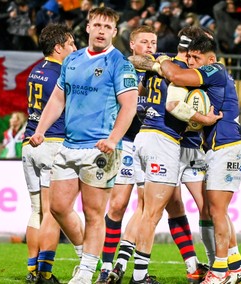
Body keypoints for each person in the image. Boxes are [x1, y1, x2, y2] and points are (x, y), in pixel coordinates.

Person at [29, 7, 139, 284]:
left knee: (93, 212)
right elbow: (57, 99)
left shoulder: (120, 64)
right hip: (68, 145)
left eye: (108, 26)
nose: (102, 30)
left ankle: (87, 271)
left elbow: (129, 106)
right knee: (57, 206)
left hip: (99, 147)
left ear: (114, 32)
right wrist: (40, 130)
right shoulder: (73, 59)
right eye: (97, 25)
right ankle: (86, 256)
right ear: (88, 27)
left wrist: (113, 139)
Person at [121, 28, 220, 284]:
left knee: (169, 208)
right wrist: (204, 118)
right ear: (192, 51)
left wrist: (156, 67)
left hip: (149, 138)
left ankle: (199, 266)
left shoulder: (164, 62)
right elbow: (173, 104)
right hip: (164, 141)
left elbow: (136, 66)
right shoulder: (180, 70)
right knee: (152, 212)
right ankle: (138, 275)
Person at [156, 35, 241, 284]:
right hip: (220, 148)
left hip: (227, 147)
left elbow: (176, 76)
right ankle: (236, 265)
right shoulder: (216, 79)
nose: (193, 62)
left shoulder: (215, 70)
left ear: (211, 59)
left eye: (197, 58)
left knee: (216, 211)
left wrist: (162, 60)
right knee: (217, 210)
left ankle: (219, 271)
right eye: (191, 57)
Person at [95, 25, 157, 284]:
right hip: (127, 141)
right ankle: (107, 267)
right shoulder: (122, 66)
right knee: (118, 204)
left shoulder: (162, 70)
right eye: (144, 42)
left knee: (146, 206)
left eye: (153, 42)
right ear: (132, 44)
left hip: (154, 143)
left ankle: (126, 266)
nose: (150, 47)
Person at [22, 23, 78, 284]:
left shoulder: (35, 71)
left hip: (29, 144)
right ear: (59, 48)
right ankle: (44, 272)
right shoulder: (61, 73)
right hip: (52, 143)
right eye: (71, 44)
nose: (75, 48)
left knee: (37, 211)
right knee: (53, 211)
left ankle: (32, 271)